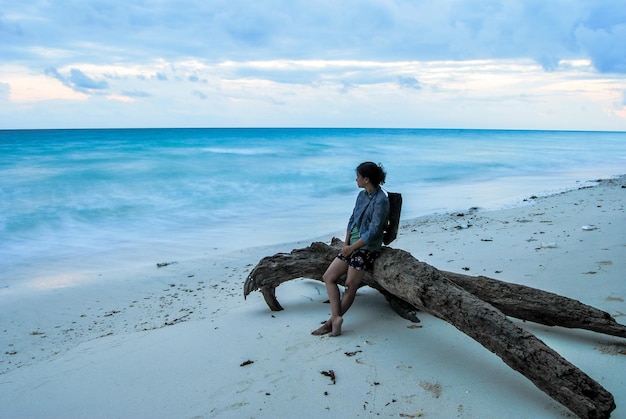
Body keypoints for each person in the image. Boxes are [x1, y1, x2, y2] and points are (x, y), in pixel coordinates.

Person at [312, 162, 390, 337]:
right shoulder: (361, 196)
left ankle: (329, 324)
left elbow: (374, 232)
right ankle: (336, 318)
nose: (356, 179)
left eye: (358, 176)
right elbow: (352, 219)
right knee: (328, 277)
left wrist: (353, 248)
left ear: (366, 179)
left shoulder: (381, 200)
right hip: (351, 246)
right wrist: (346, 245)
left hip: (366, 248)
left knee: (349, 286)